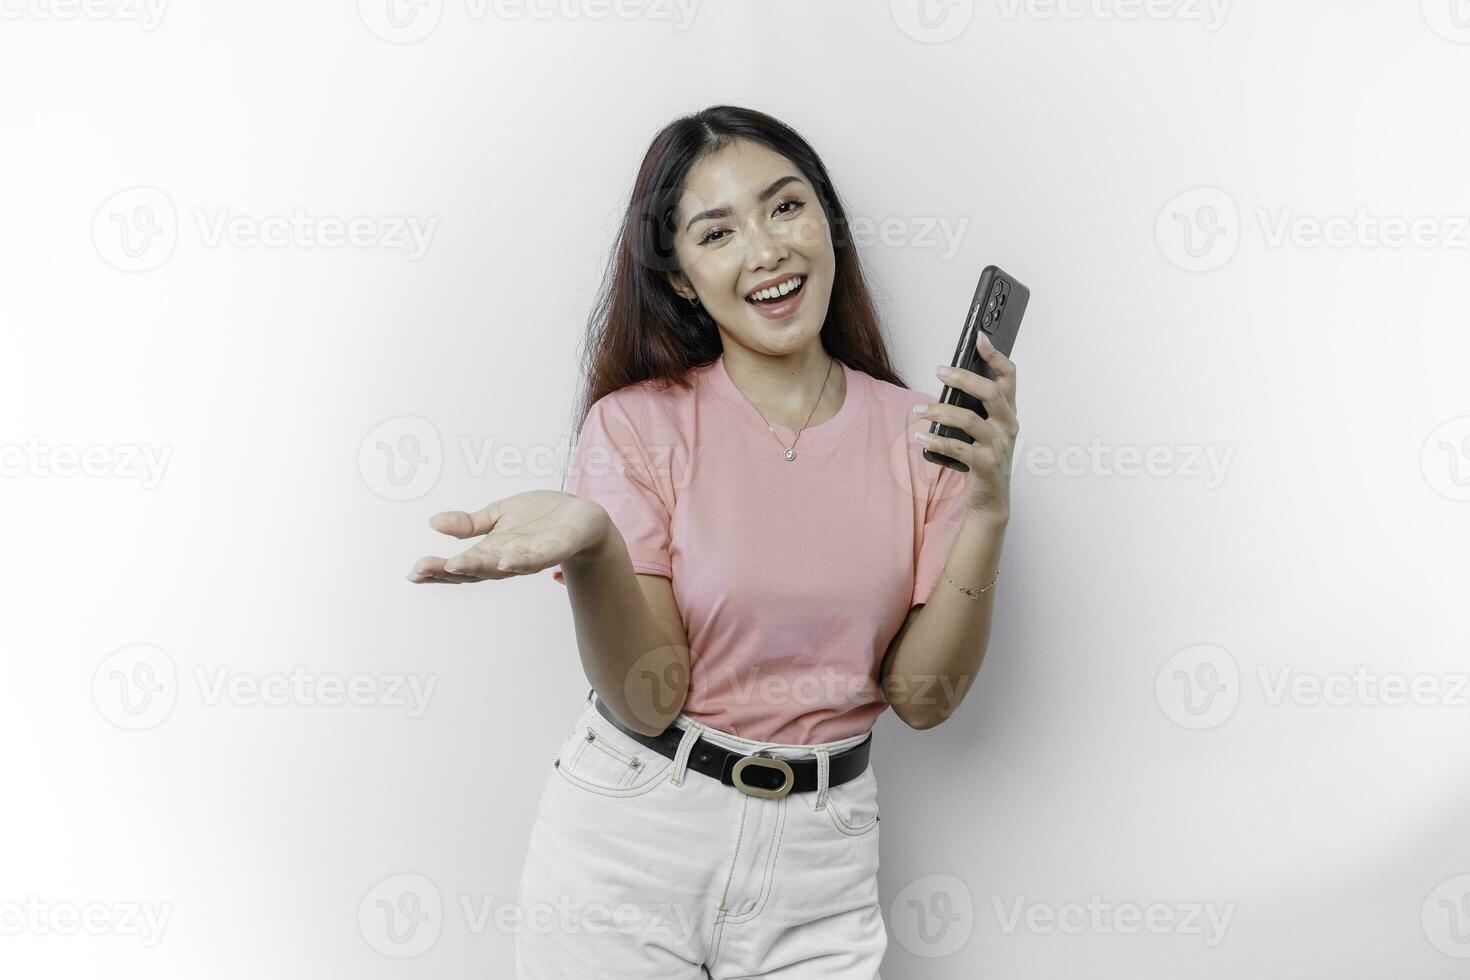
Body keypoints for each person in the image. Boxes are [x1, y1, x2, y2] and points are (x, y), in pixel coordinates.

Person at [407, 105, 1017, 979]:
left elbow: (924, 698)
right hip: (633, 837)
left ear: (828, 227)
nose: (766, 250)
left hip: (825, 852)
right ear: (685, 278)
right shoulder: (637, 427)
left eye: (785, 207)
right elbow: (650, 699)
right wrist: (596, 548)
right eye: (716, 231)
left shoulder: (925, 438)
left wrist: (988, 511)